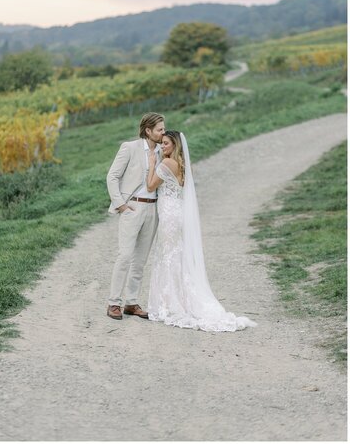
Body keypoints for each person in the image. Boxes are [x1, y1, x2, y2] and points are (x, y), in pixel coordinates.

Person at [146, 130, 257, 332]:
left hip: (170, 216)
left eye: (166, 144)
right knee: (175, 255)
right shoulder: (183, 164)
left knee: (168, 256)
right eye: (161, 143)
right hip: (178, 214)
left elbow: (151, 184)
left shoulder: (167, 163)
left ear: (175, 145)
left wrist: (152, 164)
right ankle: (176, 299)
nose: (163, 147)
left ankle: (169, 303)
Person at [106, 112, 165, 320]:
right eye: (159, 129)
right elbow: (112, 176)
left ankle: (131, 303)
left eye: (163, 129)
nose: (163, 133)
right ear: (148, 130)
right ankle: (114, 303)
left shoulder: (163, 151)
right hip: (132, 208)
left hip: (153, 209)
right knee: (125, 256)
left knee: (140, 260)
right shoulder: (129, 148)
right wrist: (121, 204)